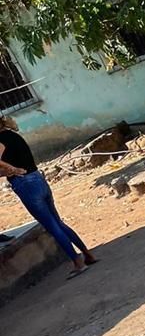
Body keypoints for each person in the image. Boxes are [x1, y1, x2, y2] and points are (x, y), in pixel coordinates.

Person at [0, 117, 97, 277]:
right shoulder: (13, 136)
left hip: (26, 185)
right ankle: (88, 254)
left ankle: (78, 262)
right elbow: (15, 165)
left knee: (52, 227)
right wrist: (11, 169)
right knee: (58, 222)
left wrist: (12, 169)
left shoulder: (1, 139)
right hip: (38, 179)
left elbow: (10, 166)